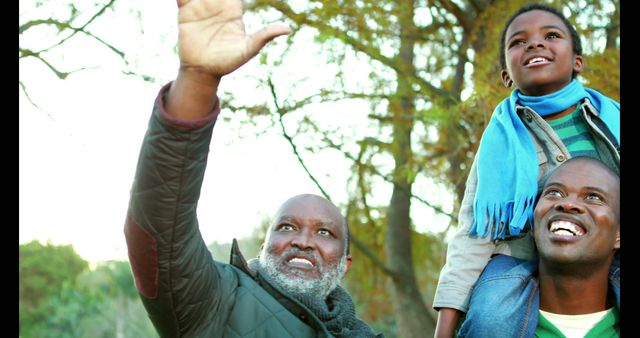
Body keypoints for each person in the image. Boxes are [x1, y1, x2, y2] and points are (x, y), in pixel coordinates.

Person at [123, 0, 381, 337]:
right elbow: (160, 230)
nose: (303, 241)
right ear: (265, 244)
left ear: (345, 263)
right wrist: (198, 77)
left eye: (324, 233)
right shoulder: (216, 301)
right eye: (287, 227)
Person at [433, 3, 620, 337]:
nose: (535, 44)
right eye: (518, 42)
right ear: (506, 74)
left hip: (608, 253)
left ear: (577, 61)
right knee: (490, 319)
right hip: (518, 261)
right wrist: (446, 322)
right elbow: (473, 233)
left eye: (551, 35)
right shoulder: (497, 145)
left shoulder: (614, 121)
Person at [457, 156, 620, 337]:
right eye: (555, 193)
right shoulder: (479, 325)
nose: (567, 204)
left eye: (593, 197)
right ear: (534, 222)